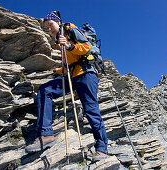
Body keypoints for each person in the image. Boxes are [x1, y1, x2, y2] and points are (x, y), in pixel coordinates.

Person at [25, 11, 108, 162]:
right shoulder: (59, 41)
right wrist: (58, 71)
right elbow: (70, 64)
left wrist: (69, 45)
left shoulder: (70, 29)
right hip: (72, 75)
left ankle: (102, 148)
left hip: (86, 74)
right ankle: (46, 135)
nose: (49, 29)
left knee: (91, 110)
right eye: (47, 27)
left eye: (50, 25)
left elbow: (86, 48)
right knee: (45, 90)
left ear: (58, 22)